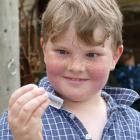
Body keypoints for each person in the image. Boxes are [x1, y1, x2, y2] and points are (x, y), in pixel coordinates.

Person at [0, 0, 140, 140]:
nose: (76, 67)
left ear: (115, 57)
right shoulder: (21, 121)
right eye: (62, 52)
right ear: (44, 49)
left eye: (92, 55)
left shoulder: (134, 123)